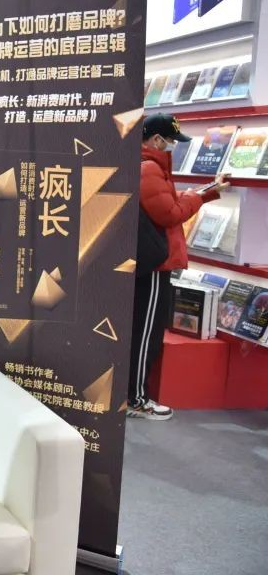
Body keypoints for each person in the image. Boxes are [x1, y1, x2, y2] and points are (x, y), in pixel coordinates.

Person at [131, 113, 228, 420]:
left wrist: (205, 193)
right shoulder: (149, 168)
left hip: (150, 264)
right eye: (171, 140)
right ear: (157, 139)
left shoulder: (148, 166)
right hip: (154, 266)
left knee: (144, 330)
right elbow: (170, 214)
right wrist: (200, 199)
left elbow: (167, 202)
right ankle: (135, 400)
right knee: (146, 333)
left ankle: (133, 396)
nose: (173, 146)